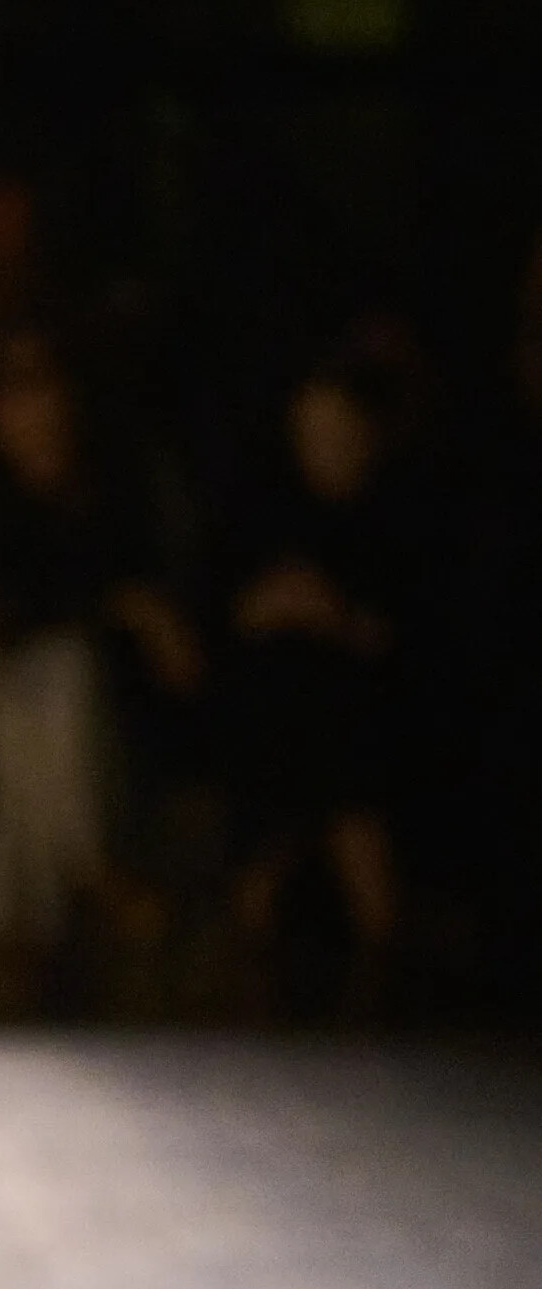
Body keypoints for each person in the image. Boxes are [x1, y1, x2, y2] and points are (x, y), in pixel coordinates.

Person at [0, 331, 202, 987]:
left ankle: (18, 923)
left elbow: (128, 591)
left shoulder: (121, 485)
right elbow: (8, 599)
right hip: (22, 686)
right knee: (23, 691)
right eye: (11, 396)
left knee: (55, 674)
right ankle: (89, 867)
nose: (28, 412)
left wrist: (129, 609)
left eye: (39, 391)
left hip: (115, 686)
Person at [221, 351, 408, 1013]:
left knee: (337, 744)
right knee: (292, 718)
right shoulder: (275, 517)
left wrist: (336, 616)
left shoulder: (399, 516)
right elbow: (230, 621)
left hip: (371, 728)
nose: (323, 448)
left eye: (338, 432)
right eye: (311, 434)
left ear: (371, 432)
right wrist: (274, 607)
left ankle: (382, 983)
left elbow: (408, 637)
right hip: (283, 726)